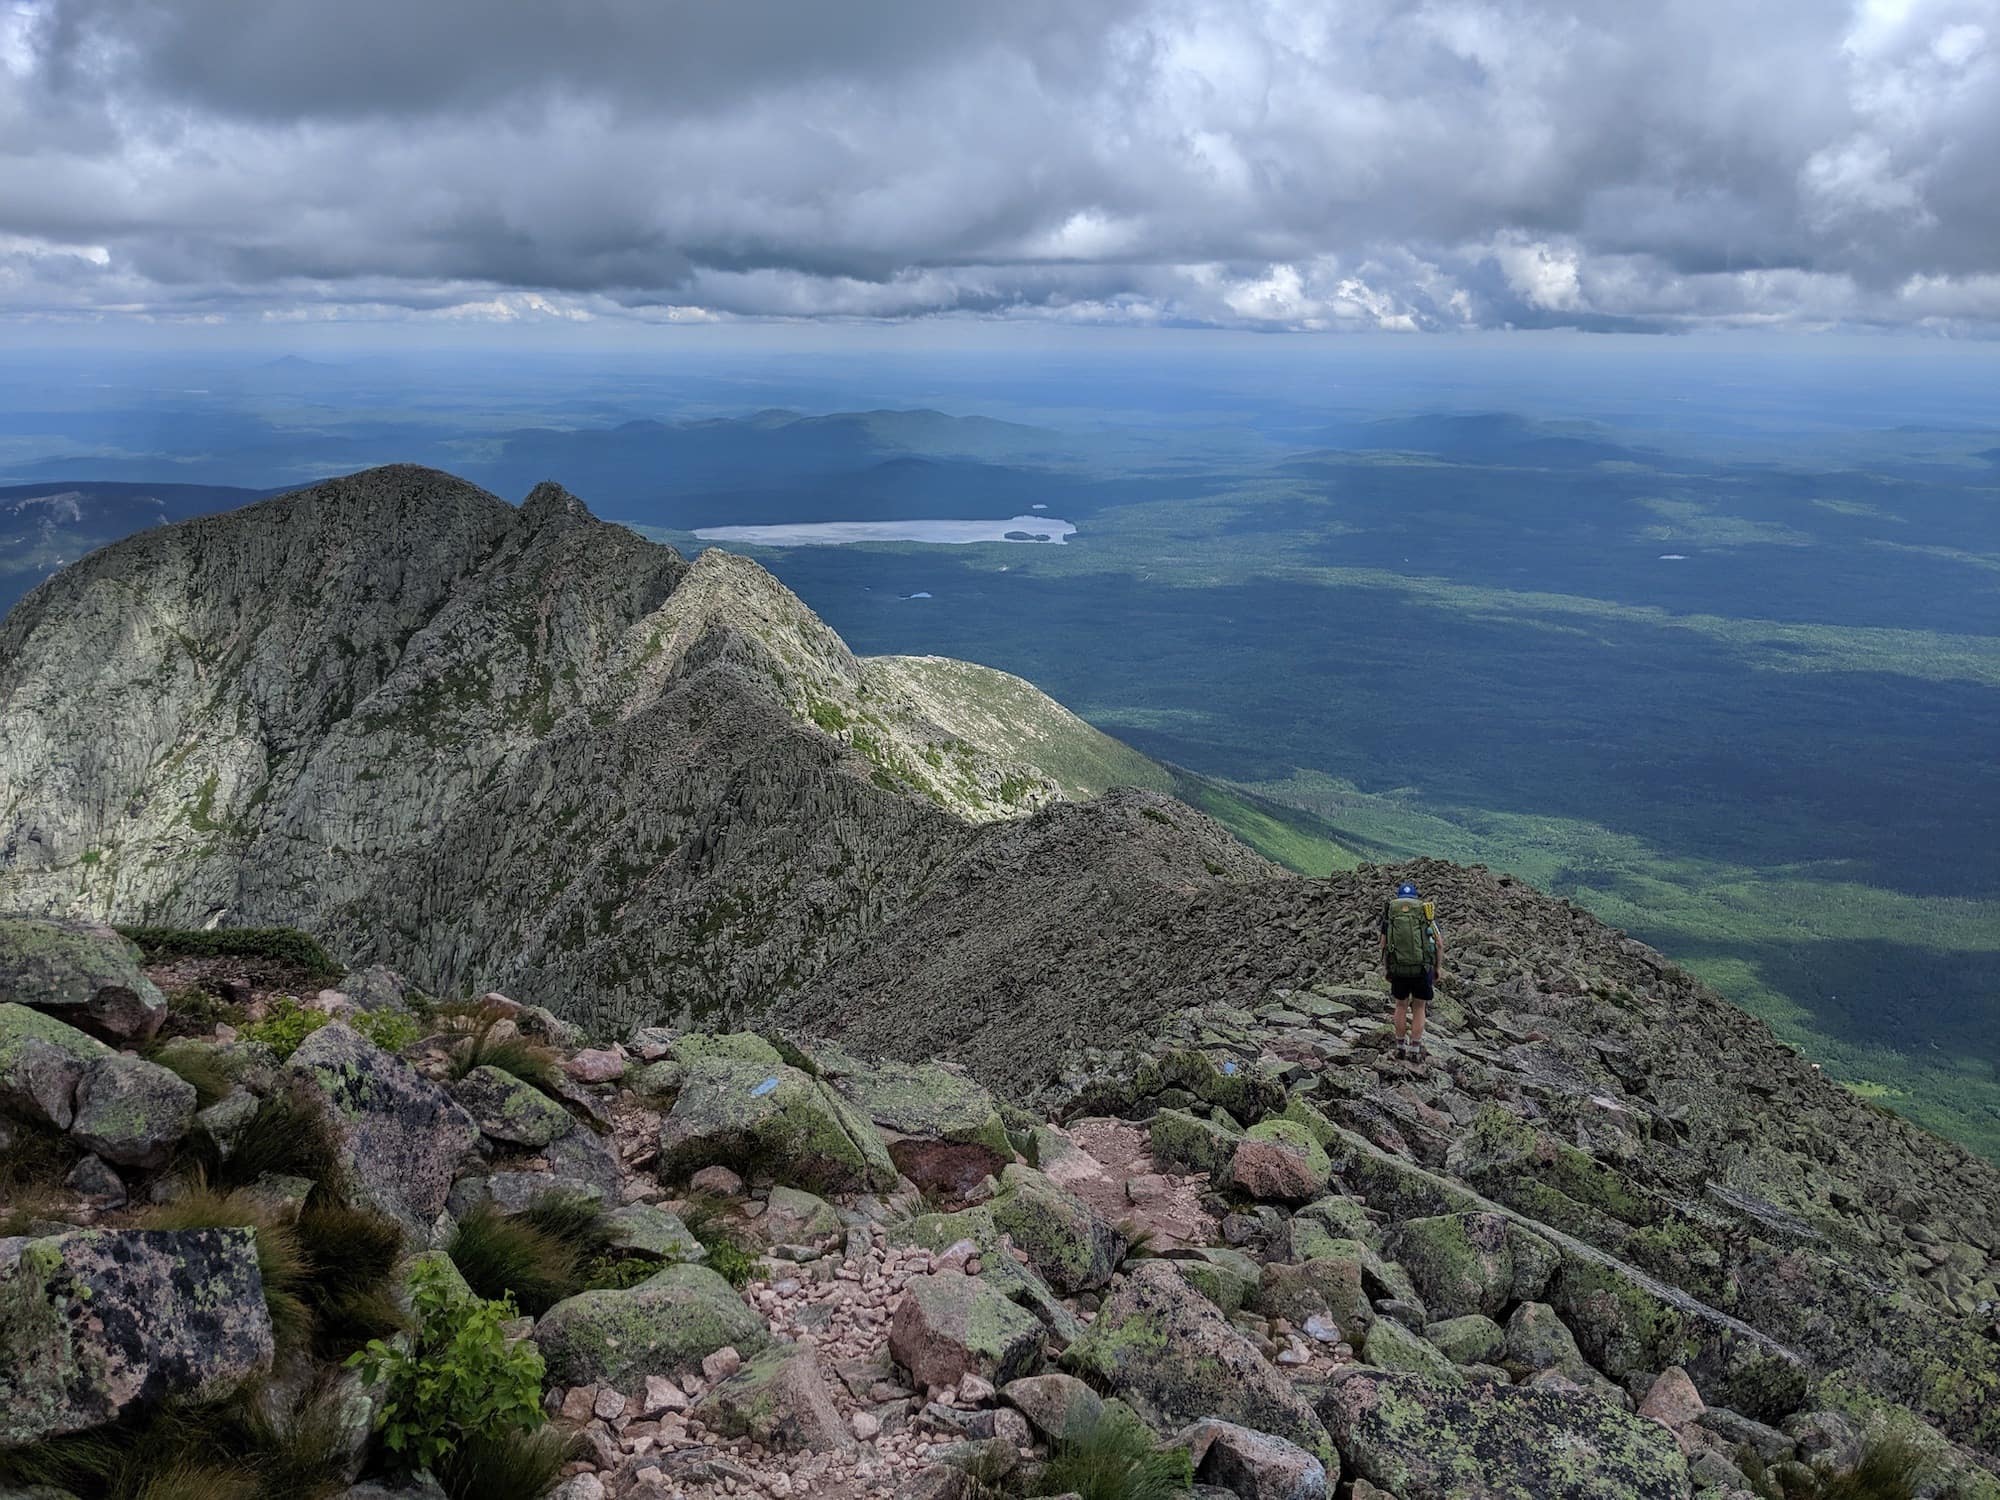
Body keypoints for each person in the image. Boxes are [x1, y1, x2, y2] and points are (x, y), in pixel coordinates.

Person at [1380, 880, 1443, 1061]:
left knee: (1400, 1006)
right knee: (1419, 1007)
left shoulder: (1391, 914)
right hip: (1422, 968)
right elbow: (1439, 944)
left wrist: (1387, 968)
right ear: (1415, 898)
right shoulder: (1425, 913)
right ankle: (1415, 1049)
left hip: (1398, 968)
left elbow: (1383, 945)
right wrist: (1437, 968)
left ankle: (1400, 1046)